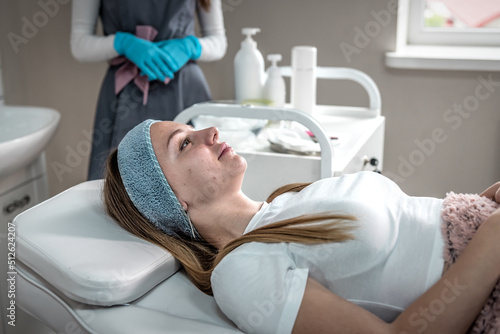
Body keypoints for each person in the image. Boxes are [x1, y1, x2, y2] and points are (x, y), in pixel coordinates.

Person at [103, 119, 500, 334]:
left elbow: (417, 235)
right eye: (185, 144)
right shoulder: (240, 271)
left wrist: (481, 206)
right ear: (172, 200)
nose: (210, 133)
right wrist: (489, 242)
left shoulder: (287, 200)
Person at [70, 0, 226, 180]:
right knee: (119, 187)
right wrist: (122, 43)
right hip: (124, 95)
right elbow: (79, 44)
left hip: (186, 92)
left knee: (201, 180)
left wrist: (190, 46)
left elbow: (218, 42)